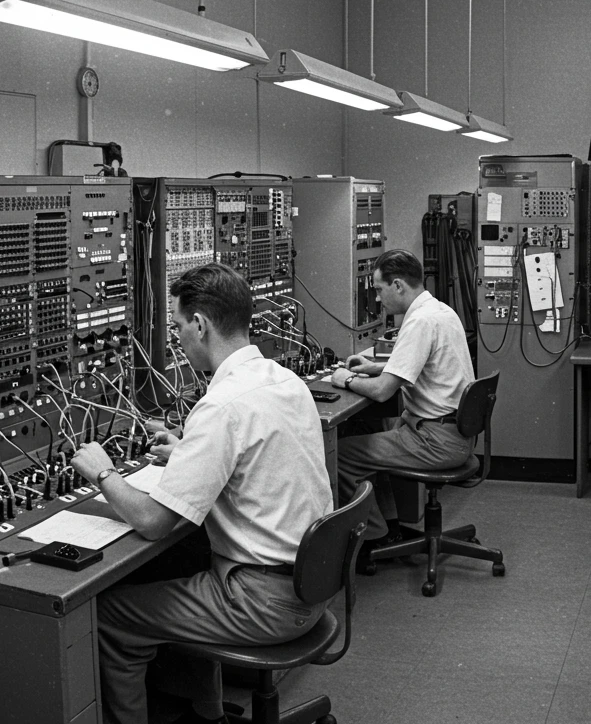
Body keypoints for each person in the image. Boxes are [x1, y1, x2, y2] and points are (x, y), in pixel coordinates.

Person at [69, 262, 333, 724]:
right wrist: (190, 452)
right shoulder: (283, 379)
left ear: (200, 324)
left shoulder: (222, 405)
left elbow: (153, 523)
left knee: (110, 615)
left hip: (263, 601)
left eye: (177, 327)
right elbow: (257, 459)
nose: (177, 339)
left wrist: (103, 473)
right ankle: (206, 712)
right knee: (191, 559)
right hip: (312, 585)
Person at [331, 249, 475, 555]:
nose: (379, 299)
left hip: (434, 440)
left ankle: (373, 537)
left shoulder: (419, 322)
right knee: (372, 434)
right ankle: (389, 526)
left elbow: (383, 392)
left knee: (341, 456)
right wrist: (373, 367)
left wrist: (344, 379)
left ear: (398, 286)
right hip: (454, 434)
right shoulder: (439, 311)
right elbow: (422, 364)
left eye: (380, 290)